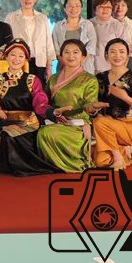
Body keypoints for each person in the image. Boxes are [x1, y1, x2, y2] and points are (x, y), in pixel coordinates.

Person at [0, 38, 58, 176]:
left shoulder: (32, 80)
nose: (16, 59)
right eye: (12, 55)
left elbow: (40, 102)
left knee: (10, 136)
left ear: (26, 59)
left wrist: (51, 111)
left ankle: (23, 167)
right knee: (4, 135)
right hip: (5, 122)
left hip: (27, 123)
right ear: (6, 57)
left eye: (21, 56)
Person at [37, 39, 99, 173]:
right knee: (40, 131)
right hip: (56, 121)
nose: (71, 56)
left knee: (47, 133)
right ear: (60, 57)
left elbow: (89, 104)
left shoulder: (89, 79)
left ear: (83, 57)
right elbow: (45, 102)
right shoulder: (54, 78)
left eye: (75, 52)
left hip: (77, 125)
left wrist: (92, 107)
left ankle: (75, 164)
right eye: (67, 52)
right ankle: (55, 165)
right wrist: (54, 113)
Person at [92, 38, 132, 169]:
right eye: (113, 52)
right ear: (106, 55)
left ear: (127, 56)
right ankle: (124, 149)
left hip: (130, 125)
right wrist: (94, 107)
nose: (117, 55)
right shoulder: (100, 77)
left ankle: (118, 157)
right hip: (107, 126)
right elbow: (95, 105)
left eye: (121, 52)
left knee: (99, 122)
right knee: (101, 162)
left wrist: (126, 98)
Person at [5, 0, 55, 86]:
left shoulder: (42, 18)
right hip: (18, 62)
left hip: (39, 61)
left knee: (38, 89)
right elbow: (6, 42)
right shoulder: (11, 17)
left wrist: (49, 66)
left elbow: (48, 43)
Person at [51, 0, 97, 74]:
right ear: (65, 8)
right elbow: (56, 49)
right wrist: (67, 65)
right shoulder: (58, 26)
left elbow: (91, 46)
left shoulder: (88, 24)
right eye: (70, 6)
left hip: (85, 67)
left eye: (77, 5)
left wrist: (79, 63)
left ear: (81, 8)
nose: (74, 8)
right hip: (64, 68)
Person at [89, 0, 126, 74]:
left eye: (108, 7)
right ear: (95, 9)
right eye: (101, 7)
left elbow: (125, 48)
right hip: (89, 67)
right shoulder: (87, 24)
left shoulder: (116, 25)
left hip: (109, 68)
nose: (105, 9)